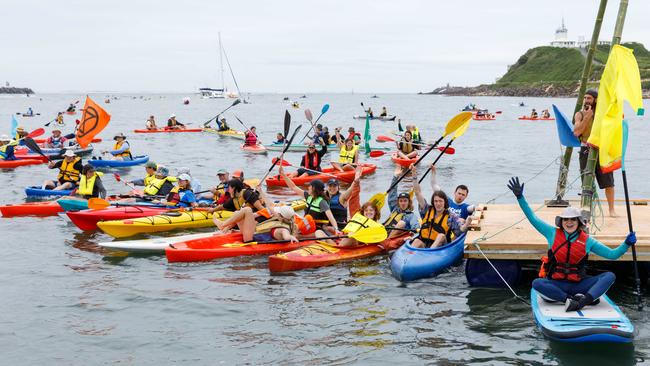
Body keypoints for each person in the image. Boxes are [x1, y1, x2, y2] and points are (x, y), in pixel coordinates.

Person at [507, 177, 636, 311]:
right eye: (566, 220)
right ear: (561, 222)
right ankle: (569, 299)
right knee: (537, 283)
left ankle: (582, 302)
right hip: (557, 284)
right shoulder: (551, 233)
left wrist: (626, 243)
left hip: (579, 284)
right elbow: (532, 217)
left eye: (573, 220)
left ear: (579, 222)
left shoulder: (588, 240)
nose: (569, 222)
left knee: (609, 276)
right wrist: (520, 197)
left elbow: (612, 255)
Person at [573, 89, 617, 217]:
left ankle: (611, 209)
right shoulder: (579, 114)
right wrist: (587, 117)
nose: (586, 100)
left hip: (601, 150)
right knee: (586, 181)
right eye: (585, 98)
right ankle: (587, 208)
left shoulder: (602, 114)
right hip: (586, 150)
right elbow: (576, 132)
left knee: (608, 181)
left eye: (589, 98)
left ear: (596, 100)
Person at [412, 164, 470, 248]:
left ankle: (430, 253)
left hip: (441, 247)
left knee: (441, 236)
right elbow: (417, 193)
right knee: (417, 241)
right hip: (424, 243)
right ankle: (409, 258)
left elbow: (459, 231)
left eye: (440, 201)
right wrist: (414, 176)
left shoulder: (451, 216)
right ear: (433, 202)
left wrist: (467, 223)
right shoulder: (426, 209)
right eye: (435, 201)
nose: (438, 204)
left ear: (445, 202)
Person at [279, 166, 339, 232]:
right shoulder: (308, 196)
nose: (308, 188)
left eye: (310, 186)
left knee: (308, 217)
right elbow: (293, 187)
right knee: (291, 215)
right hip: (306, 224)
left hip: (316, 227)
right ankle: (287, 228)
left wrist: (336, 229)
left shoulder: (322, 202)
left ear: (314, 188)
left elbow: (331, 217)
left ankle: (295, 231)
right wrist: (283, 175)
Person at [383, 167, 420, 238]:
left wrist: (416, 229)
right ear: (398, 202)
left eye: (405, 201)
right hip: (383, 232)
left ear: (409, 202)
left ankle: (386, 241)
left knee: (401, 223)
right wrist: (395, 177)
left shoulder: (410, 216)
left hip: (392, 237)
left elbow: (415, 226)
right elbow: (392, 193)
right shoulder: (395, 209)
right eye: (401, 201)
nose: (403, 203)